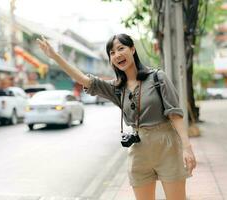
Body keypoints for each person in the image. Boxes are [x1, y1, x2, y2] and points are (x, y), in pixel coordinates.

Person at [37, 33, 196, 200]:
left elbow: (175, 114)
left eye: (121, 48)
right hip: (139, 150)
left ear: (132, 49)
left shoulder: (157, 77)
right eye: (112, 52)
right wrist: (55, 56)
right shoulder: (117, 88)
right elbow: (84, 80)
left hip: (167, 146)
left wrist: (187, 147)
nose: (117, 55)